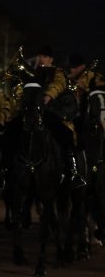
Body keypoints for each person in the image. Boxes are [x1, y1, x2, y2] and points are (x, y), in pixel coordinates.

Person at [35, 45, 85, 188]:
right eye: (39, 56)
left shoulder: (58, 72)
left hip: (54, 113)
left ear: (51, 59)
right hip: (35, 113)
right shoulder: (35, 73)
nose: (41, 59)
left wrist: (48, 96)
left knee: (66, 135)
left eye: (44, 56)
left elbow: (58, 85)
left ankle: (73, 170)